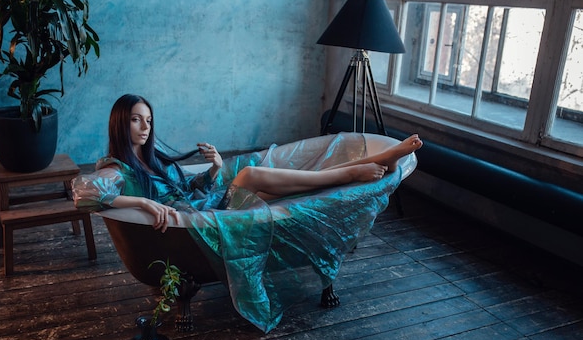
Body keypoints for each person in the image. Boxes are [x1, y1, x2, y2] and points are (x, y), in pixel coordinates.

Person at [73, 94, 422, 232]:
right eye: (136, 119)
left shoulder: (153, 160)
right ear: (121, 122)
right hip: (206, 221)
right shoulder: (116, 168)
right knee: (253, 173)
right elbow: (84, 194)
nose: (145, 126)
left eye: (148, 119)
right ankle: (364, 165)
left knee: (300, 188)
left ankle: (374, 161)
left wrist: (213, 168)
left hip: (210, 208)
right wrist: (143, 201)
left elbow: (188, 189)